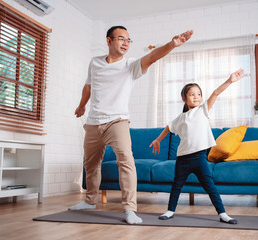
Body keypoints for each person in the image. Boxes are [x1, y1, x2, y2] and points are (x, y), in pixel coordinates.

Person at [69, 26, 194, 225]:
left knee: (126, 161)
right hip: (93, 123)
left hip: (117, 121)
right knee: (90, 165)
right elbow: (88, 86)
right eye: (121, 38)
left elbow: (152, 57)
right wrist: (81, 105)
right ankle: (90, 200)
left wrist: (172, 44)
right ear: (109, 41)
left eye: (128, 39)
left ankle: (130, 209)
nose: (126, 42)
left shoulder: (130, 65)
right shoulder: (95, 63)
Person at [149, 69, 244, 224]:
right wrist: (158, 140)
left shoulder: (203, 110)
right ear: (184, 98)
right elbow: (168, 127)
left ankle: (223, 214)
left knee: (210, 186)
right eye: (192, 94)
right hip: (183, 158)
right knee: (177, 185)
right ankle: (170, 211)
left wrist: (230, 80)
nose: (196, 97)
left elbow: (215, 93)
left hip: (199, 157)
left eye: (198, 94)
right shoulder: (180, 118)